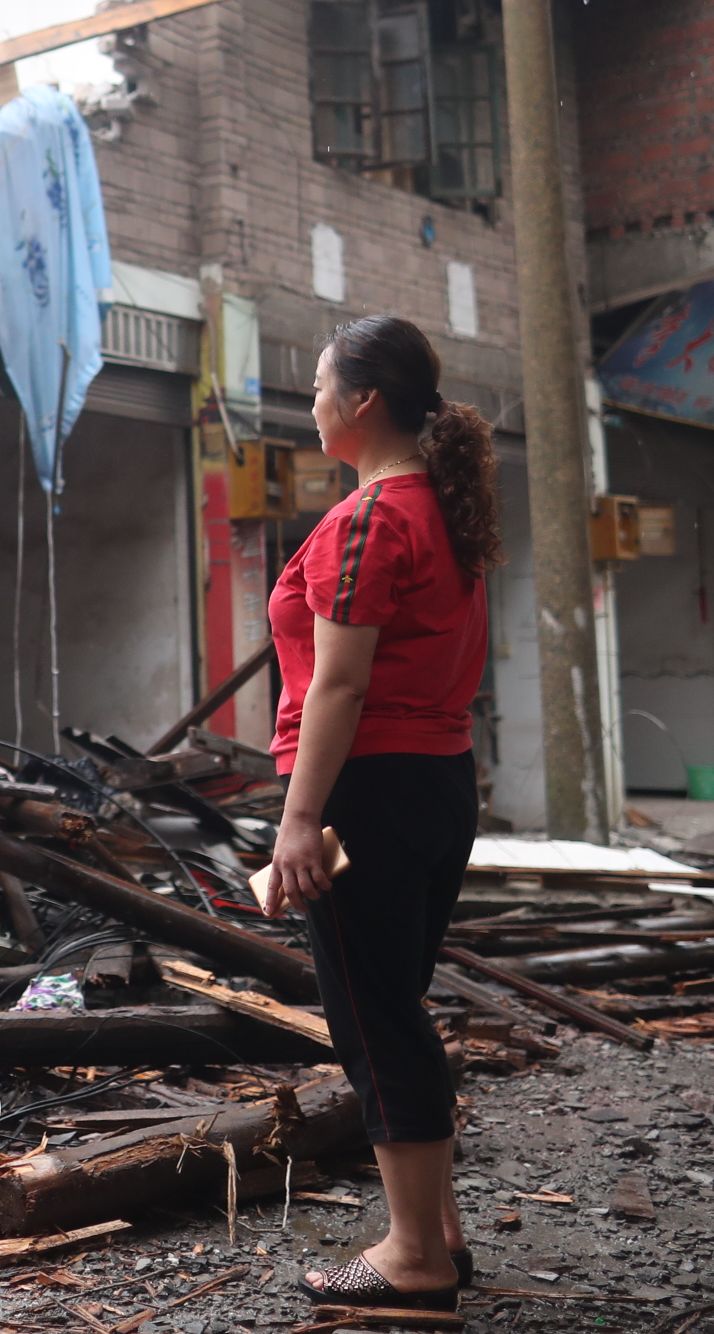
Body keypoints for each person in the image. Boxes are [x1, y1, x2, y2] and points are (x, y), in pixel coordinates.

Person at [258, 316, 500, 1314]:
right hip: (438, 783)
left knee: (373, 1018)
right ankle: (435, 1232)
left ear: (362, 402)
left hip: (371, 787)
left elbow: (341, 689)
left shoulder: (371, 519)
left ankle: (414, 1258)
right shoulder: (444, 511)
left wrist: (298, 819)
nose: (311, 404)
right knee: (398, 1003)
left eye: (319, 387)